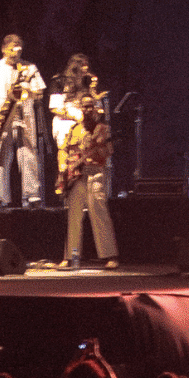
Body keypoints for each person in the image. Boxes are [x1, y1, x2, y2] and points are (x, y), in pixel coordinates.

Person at [0, 35, 46, 207]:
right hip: (2, 116)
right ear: (4, 48)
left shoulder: (30, 68)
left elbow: (39, 93)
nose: (15, 52)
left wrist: (27, 91)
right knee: (0, 155)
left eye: (18, 48)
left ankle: (31, 195)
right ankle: (0, 197)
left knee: (28, 153)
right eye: (12, 48)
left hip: (24, 115)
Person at [60, 99, 118, 269]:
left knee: (99, 212)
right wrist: (64, 168)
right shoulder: (74, 129)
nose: (87, 109)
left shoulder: (103, 129)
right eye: (84, 106)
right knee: (74, 216)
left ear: (96, 109)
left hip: (95, 172)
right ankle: (70, 256)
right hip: (76, 176)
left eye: (90, 106)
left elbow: (107, 152)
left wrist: (99, 145)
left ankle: (110, 255)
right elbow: (64, 151)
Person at [50, 53, 100, 198]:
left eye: (87, 65)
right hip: (65, 121)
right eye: (83, 65)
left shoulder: (87, 83)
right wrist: (75, 116)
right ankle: (64, 183)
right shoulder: (59, 81)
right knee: (66, 154)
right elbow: (54, 108)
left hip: (83, 123)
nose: (86, 68)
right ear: (75, 67)